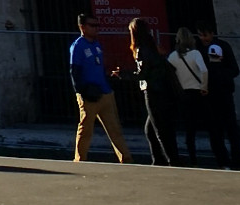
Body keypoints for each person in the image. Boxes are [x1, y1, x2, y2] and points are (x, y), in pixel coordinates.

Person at [69, 14, 130, 162]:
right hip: (89, 94)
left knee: (115, 128)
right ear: (82, 27)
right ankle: (80, 159)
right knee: (86, 129)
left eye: (97, 25)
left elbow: (99, 65)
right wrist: (82, 92)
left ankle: (126, 158)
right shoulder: (78, 46)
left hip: (105, 92)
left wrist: (109, 73)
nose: (97, 28)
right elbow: (74, 71)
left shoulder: (97, 44)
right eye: (92, 25)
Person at [128, 18, 178, 164]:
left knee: (159, 129)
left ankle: (171, 160)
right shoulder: (154, 47)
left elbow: (143, 73)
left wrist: (123, 75)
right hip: (163, 89)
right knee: (151, 129)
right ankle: (159, 159)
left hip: (152, 90)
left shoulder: (140, 49)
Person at [197, 27, 240, 168]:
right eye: (200, 35)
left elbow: (232, 70)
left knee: (226, 129)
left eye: (205, 35)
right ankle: (226, 160)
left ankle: (234, 161)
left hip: (221, 92)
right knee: (218, 130)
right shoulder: (201, 49)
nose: (203, 38)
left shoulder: (219, 47)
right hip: (215, 93)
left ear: (212, 33)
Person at [168, 27, 209, 162]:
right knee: (204, 122)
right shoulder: (196, 54)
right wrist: (204, 86)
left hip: (183, 93)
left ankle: (192, 157)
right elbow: (203, 70)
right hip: (197, 91)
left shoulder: (173, 56)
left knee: (188, 125)